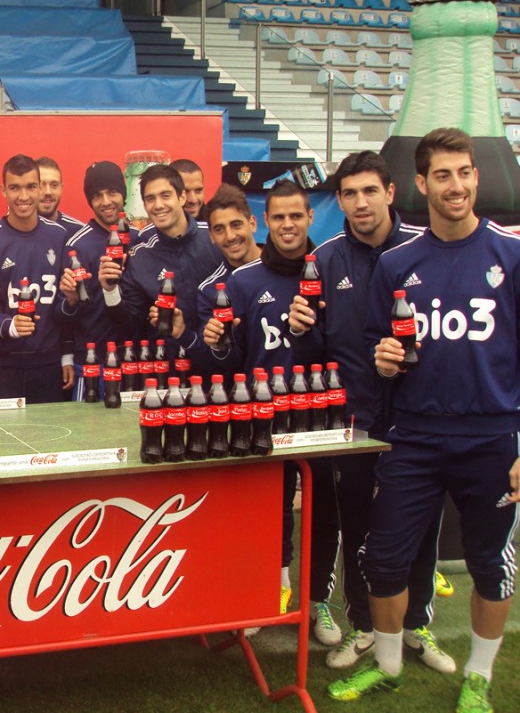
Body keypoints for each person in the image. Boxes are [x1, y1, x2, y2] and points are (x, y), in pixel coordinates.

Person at [329, 128, 520, 712]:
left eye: (463, 173)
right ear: (420, 184)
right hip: (412, 437)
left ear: (476, 178)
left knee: (490, 564)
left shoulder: (511, 256)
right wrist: (386, 359)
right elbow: (378, 345)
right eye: (442, 175)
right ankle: (387, 666)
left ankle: (480, 675)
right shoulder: (397, 264)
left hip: (491, 438)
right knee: (383, 557)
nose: (455, 185)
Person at [288, 151, 454, 674]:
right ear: (339, 201)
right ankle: (363, 624)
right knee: (358, 527)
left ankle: (415, 624)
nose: (360, 202)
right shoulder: (327, 260)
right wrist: (299, 329)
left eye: (369, 191)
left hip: (419, 421)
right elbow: (313, 350)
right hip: (355, 421)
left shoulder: (424, 250)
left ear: (389, 192)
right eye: (350, 194)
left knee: (421, 527)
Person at [202, 179, 340, 647]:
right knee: (271, 510)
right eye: (278, 217)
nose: (287, 225)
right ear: (267, 221)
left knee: (323, 511)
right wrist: (216, 345)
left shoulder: (328, 269)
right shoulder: (243, 281)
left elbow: (342, 350)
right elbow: (232, 359)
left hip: (320, 412)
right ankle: (272, 592)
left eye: (295, 216)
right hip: (263, 416)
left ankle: (317, 600)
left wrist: (313, 332)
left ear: (309, 218)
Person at [0, 155, 71, 402]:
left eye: (30, 187)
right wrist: (11, 326)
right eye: (15, 188)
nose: (24, 197)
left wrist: (67, 354)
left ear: (40, 188)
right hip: (5, 368)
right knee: (6, 440)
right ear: (3, 190)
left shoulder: (59, 237)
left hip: (50, 365)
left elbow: (66, 306)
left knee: (52, 438)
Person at [101, 164, 222, 356]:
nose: (158, 205)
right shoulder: (140, 257)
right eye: (150, 199)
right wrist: (110, 291)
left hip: (222, 364)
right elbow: (130, 326)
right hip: (168, 370)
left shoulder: (215, 239)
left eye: (165, 195)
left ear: (181, 197)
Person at [57, 161, 127, 399]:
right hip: (91, 364)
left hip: (133, 361)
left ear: (124, 194)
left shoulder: (140, 238)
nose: (106, 202)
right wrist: (71, 301)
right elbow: (61, 315)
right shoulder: (78, 245)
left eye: (113, 192)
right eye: (98, 195)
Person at [195, 184, 263, 375]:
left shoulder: (286, 268)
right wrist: (218, 346)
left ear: (252, 223)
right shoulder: (210, 291)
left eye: (236, 225)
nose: (230, 236)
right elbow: (227, 363)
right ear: (211, 237)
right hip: (250, 395)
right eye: (219, 229)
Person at [36, 156, 83, 236]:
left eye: (54, 185)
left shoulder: (79, 233)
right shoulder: (14, 231)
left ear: (61, 188)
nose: (48, 192)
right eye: (41, 185)